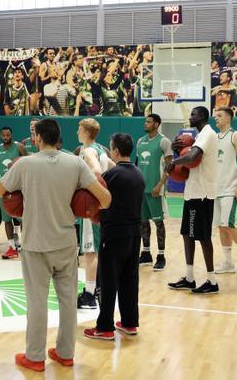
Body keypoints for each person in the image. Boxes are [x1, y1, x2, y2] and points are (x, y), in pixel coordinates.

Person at [0, 119, 111, 372]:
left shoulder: (24, 164)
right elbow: (106, 199)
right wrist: (82, 204)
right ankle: (65, 354)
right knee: (67, 301)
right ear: (58, 138)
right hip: (66, 242)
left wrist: (22, 195)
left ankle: (34, 357)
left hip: (35, 243)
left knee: (37, 302)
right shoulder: (75, 163)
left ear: (37, 138)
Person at [84, 133, 144, 340]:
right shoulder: (138, 173)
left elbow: (97, 201)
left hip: (114, 235)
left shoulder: (112, 176)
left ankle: (105, 327)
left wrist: (93, 214)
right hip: (135, 235)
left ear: (116, 151)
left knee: (107, 281)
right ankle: (129, 323)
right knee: (130, 279)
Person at [167, 106, 220, 294]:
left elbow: (193, 156)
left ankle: (212, 281)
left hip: (203, 195)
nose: (190, 117)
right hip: (192, 193)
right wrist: (176, 152)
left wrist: (173, 162)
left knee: (203, 237)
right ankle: (189, 278)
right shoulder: (198, 136)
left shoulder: (208, 133)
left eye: (193, 114)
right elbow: (188, 163)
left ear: (203, 116)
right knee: (187, 234)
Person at [76, 118, 115, 309]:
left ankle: (90, 295)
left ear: (85, 132)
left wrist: (90, 192)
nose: (77, 132)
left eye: (79, 129)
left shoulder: (88, 150)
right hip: (101, 207)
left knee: (90, 251)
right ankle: (98, 288)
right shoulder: (101, 149)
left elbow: (97, 171)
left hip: (91, 207)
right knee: (98, 249)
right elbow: (114, 168)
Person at [212, 108, 237, 275]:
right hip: (216, 188)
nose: (216, 118)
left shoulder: (236, 136)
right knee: (221, 227)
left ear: (228, 118)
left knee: (228, 224)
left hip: (231, 187)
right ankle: (228, 262)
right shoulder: (214, 138)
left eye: (220, 116)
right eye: (215, 116)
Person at [136, 113, 173, 271]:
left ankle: (161, 255)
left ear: (156, 124)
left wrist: (160, 184)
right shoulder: (140, 141)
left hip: (155, 189)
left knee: (158, 223)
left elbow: (169, 166)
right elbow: (138, 165)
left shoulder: (164, 142)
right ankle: (146, 253)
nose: (146, 123)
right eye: (145, 121)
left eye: (149, 122)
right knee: (143, 222)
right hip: (141, 189)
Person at [0, 126, 28, 259]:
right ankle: (11, 247)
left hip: (18, 187)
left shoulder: (19, 148)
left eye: (8, 135)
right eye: (4, 135)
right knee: (6, 219)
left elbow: (28, 164)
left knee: (23, 218)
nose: (6, 137)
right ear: (1, 136)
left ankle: (25, 246)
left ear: (11, 134)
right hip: (3, 187)